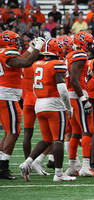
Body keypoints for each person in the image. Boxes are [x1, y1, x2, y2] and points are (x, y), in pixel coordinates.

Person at [19, 38, 75, 182]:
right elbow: (62, 90)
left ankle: (27, 162)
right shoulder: (57, 64)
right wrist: (69, 107)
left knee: (47, 139)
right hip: (54, 104)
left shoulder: (36, 63)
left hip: (39, 103)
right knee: (58, 140)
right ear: (57, 49)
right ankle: (59, 174)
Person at [0, 31, 45, 180]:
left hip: (4, 94)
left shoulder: (4, 52)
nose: (18, 42)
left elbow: (19, 59)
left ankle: (1, 164)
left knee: (8, 131)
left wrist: (31, 49)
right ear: (10, 41)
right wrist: (38, 48)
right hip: (7, 95)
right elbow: (25, 63)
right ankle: (3, 166)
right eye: (16, 40)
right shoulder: (8, 52)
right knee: (14, 131)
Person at [64, 32, 94, 177]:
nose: (90, 46)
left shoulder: (71, 55)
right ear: (82, 43)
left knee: (76, 132)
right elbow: (75, 80)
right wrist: (83, 99)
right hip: (77, 96)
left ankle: (71, 167)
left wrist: (93, 73)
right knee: (88, 129)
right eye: (89, 43)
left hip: (71, 95)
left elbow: (81, 78)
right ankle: (86, 166)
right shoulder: (79, 55)